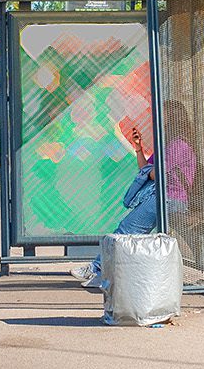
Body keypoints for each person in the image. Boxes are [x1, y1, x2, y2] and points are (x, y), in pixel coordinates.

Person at [72, 102, 196, 290]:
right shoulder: (169, 144)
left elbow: (155, 175)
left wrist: (149, 170)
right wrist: (138, 148)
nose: (159, 123)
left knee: (125, 231)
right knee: (129, 231)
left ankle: (96, 269)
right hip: (161, 197)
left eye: (163, 119)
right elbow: (145, 168)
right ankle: (105, 272)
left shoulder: (178, 145)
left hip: (169, 199)